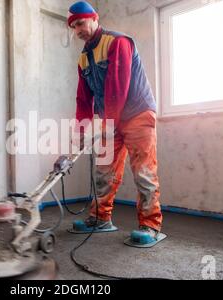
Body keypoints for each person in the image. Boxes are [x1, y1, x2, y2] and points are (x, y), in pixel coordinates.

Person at [68, 1, 164, 247]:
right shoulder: (83, 59)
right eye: (73, 26)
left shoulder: (117, 42)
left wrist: (107, 125)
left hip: (137, 114)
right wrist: (81, 131)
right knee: (104, 170)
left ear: (94, 18)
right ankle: (100, 218)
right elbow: (83, 99)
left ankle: (150, 225)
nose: (78, 30)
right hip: (112, 119)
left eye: (81, 23)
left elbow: (117, 87)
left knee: (143, 171)